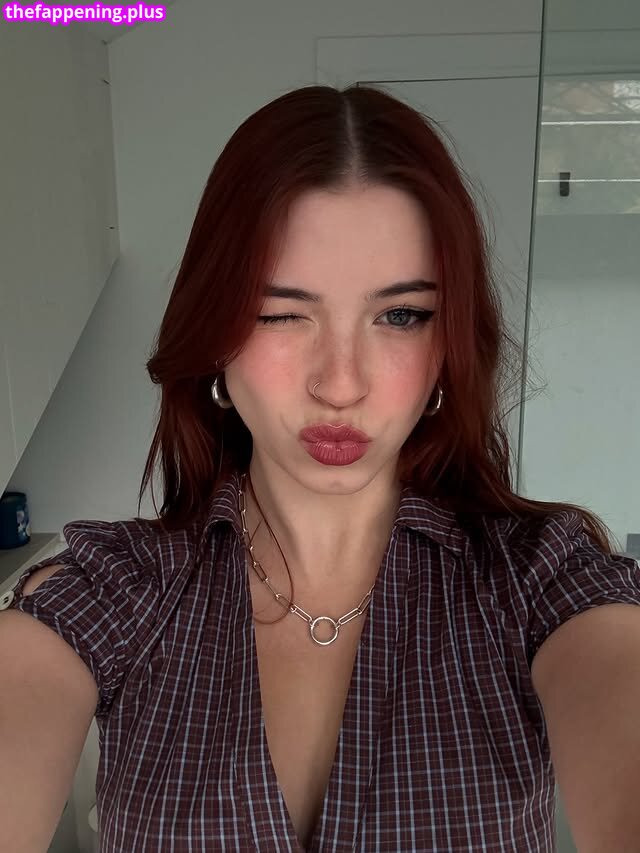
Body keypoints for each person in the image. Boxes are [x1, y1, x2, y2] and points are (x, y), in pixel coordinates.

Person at [1, 83, 639, 853]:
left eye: (401, 315)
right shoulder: (118, 588)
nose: (341, 382)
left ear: (448, 346)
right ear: (215, 337)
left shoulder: (538, 580)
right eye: (280, 313)